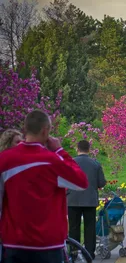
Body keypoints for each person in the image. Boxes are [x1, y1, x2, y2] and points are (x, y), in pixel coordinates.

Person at [0, 110, 88, 263]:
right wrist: (60, 151)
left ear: (24, 129)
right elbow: (81, 182)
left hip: (14, 243)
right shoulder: (52, 161)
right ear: (45, 130)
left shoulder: (4, 159)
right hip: (48, 245)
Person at [68, 140, 106, 259]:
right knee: (90, 227)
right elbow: (101, 183)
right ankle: (89, 253)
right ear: (89, 149)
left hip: (72, 200)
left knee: (74, 227)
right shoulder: (95, 164)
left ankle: (73, 253)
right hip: (90, 200)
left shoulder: (70, 163)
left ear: (77, 149)